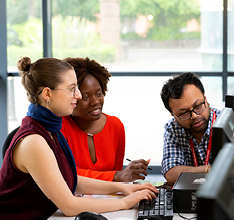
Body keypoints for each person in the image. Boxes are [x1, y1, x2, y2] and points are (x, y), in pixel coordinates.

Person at [0, 57, 158, 220]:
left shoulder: (50, 129)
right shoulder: (34, 141)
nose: (78, 95)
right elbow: (69, 206)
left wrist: (124, 188)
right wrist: (126, 202)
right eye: (72, 89)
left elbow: (69, 180)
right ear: (47, 93)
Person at [61, 57, 150, 182]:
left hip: (107, 198)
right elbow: (65, 174)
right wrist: (117, 176)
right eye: (86, 97)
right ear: (71, 97)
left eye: (99, 93)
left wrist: (126, 173)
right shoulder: (59, 125)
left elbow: (117, 178)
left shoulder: (115, 126)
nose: (96, 101)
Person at [160, 72, 234, 183]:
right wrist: (211, 170)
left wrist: (193, 172)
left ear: (206, 99)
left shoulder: (230, 122)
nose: (194, 116)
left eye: (198, 106)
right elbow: (171, 173)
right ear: (173, 115)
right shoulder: (173, 128)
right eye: (183, 113)